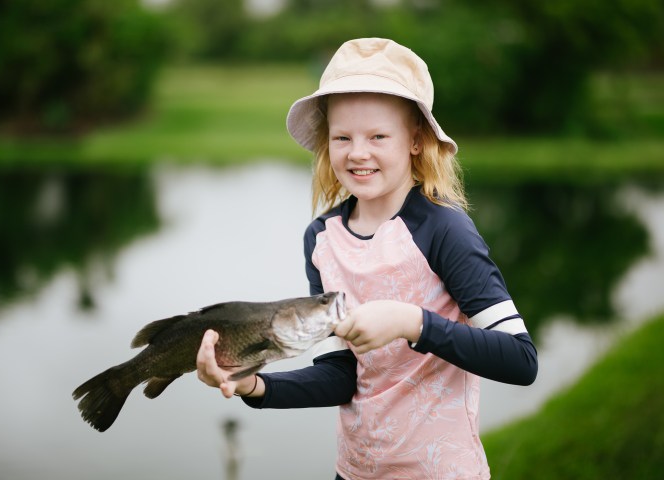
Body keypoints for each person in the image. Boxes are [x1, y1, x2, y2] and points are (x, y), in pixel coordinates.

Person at [196, 37, 538, 480]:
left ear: (415, 141)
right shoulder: (322, 239)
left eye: (378, 136)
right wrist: (253, 385)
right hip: (355, 471)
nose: (358, 152)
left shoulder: (443, 230)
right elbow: (344, 374)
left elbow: (520, 359)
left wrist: (412, 322)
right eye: (343, 137)